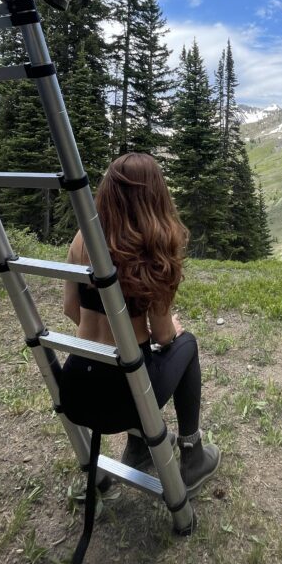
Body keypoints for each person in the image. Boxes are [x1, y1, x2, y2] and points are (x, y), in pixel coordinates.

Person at [60, 152, 220, 498]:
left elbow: (71, 309)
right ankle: (192, 456)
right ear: (155, 194)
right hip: (127, 401)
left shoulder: (82, 238)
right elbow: (163, 335)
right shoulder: (153, 248)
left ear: (107, 191)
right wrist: (169, 330)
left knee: (136, 363)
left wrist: (98, 328)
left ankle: (139, 449)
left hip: (74, 389)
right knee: (184, 344)